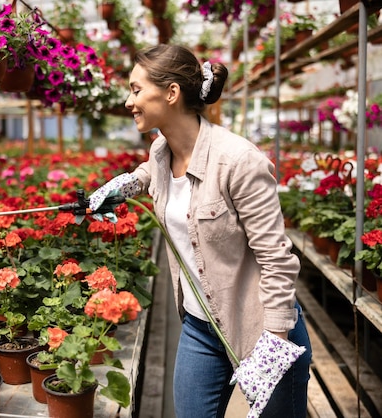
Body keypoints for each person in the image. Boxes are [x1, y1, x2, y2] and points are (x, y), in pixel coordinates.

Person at [88, 44, 312, 418]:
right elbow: (151, 174)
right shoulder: (161, 150)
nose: (129, 101)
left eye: (136, 89)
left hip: (261, 327)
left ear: (171, 93)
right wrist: (122, 188)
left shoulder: (238, 161)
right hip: (199, 326)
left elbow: (277, 259)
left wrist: (274, 342)